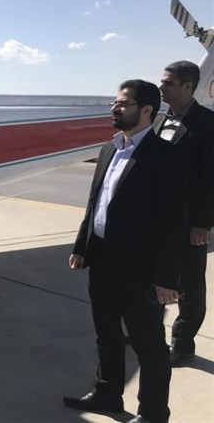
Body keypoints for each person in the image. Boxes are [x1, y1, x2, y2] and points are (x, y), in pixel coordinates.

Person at [63, 80, 187, 423]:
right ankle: (108, 394)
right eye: (115, 103)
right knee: (106, 333)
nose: (115, 109)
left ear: (147, 110)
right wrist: (82, 246)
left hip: (140, 268)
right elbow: (95, 202)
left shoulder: (166, 156)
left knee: (149, 345)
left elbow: (173, 222)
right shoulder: (110, 149)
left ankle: (153, 413)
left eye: (123, 104)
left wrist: (166, 278)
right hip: (102, 259)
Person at [155, 60, 214, 365]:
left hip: (190, 220)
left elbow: (210, 178)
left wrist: (203, 223)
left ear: (189, 86)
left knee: (189, 283)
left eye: (169, 83)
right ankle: (148, 330)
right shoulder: (159, 121)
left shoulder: (208, 123)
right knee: (153, 275)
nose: (161, 87)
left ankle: (183, 341)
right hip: (158, 219)